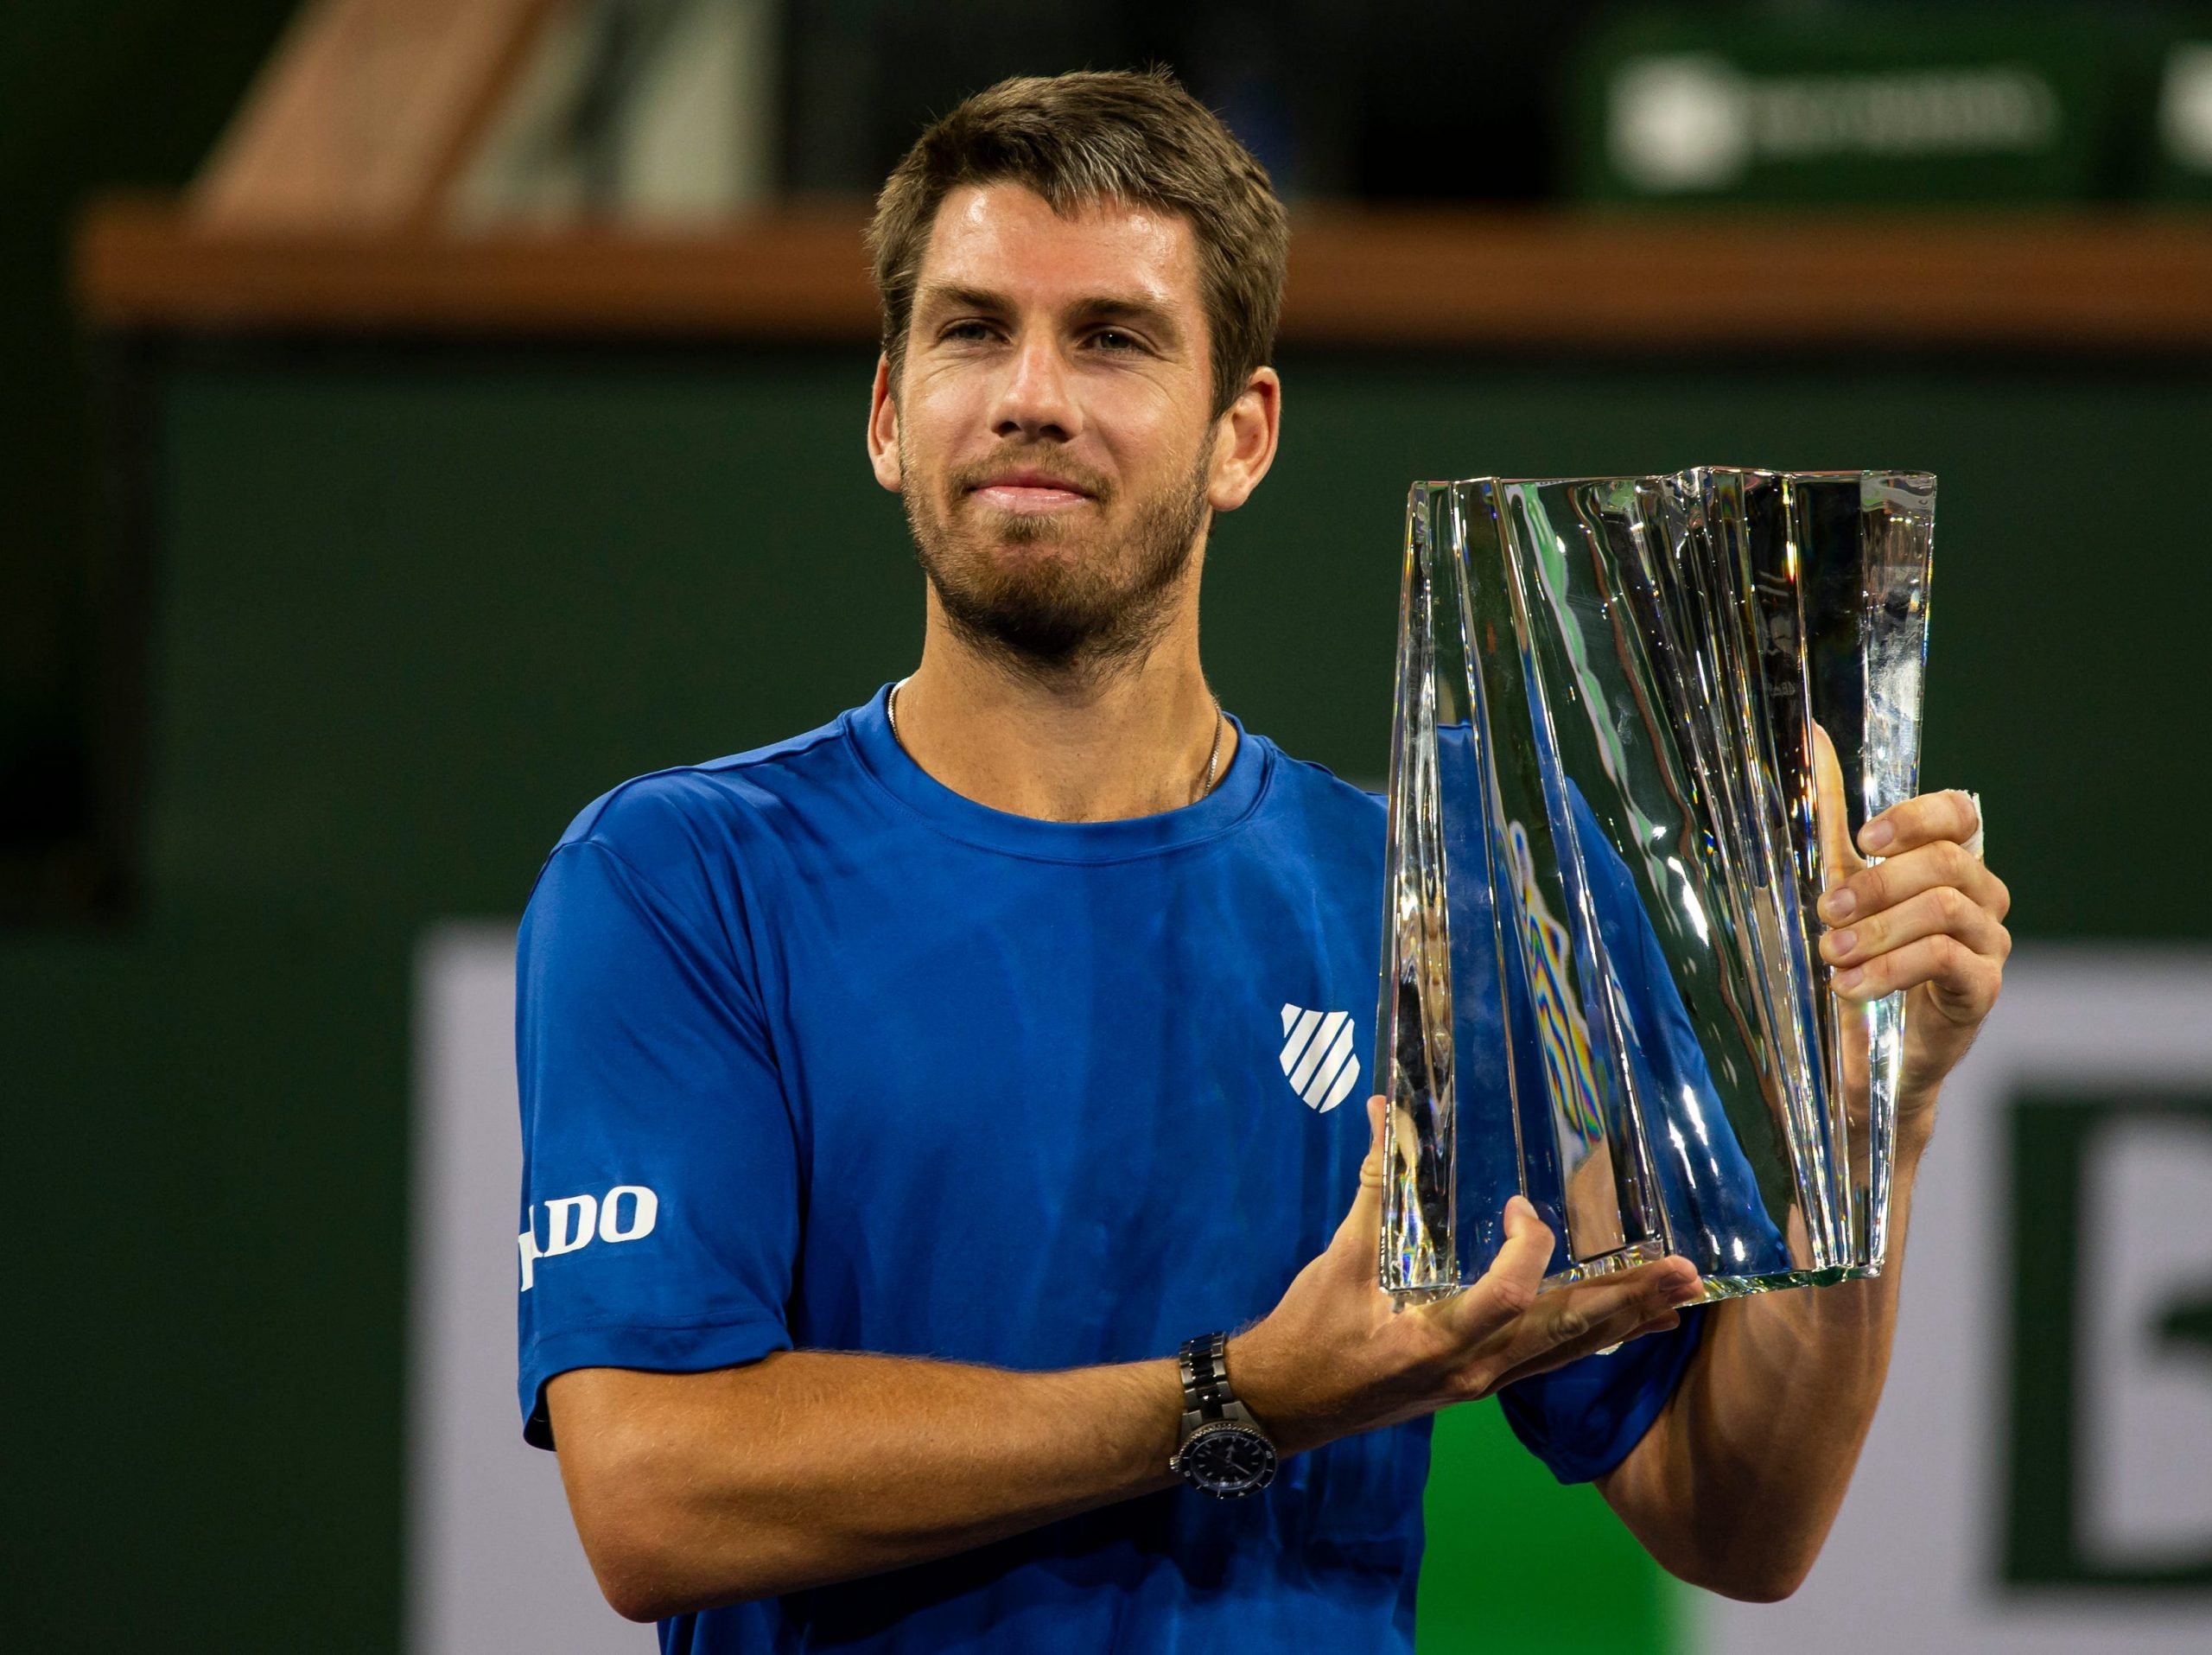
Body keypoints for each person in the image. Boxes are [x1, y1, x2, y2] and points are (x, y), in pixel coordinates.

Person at [515, 68, 2012, 1652]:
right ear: (889, 414)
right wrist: (1240, 1398)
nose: (1030, 392)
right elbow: (656, 1491)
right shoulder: (679, 881)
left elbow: (1736, 1519)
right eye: (969, 330)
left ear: (1244, 434)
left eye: (1111, 337)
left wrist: (1873, 1121)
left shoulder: (1453, 907)